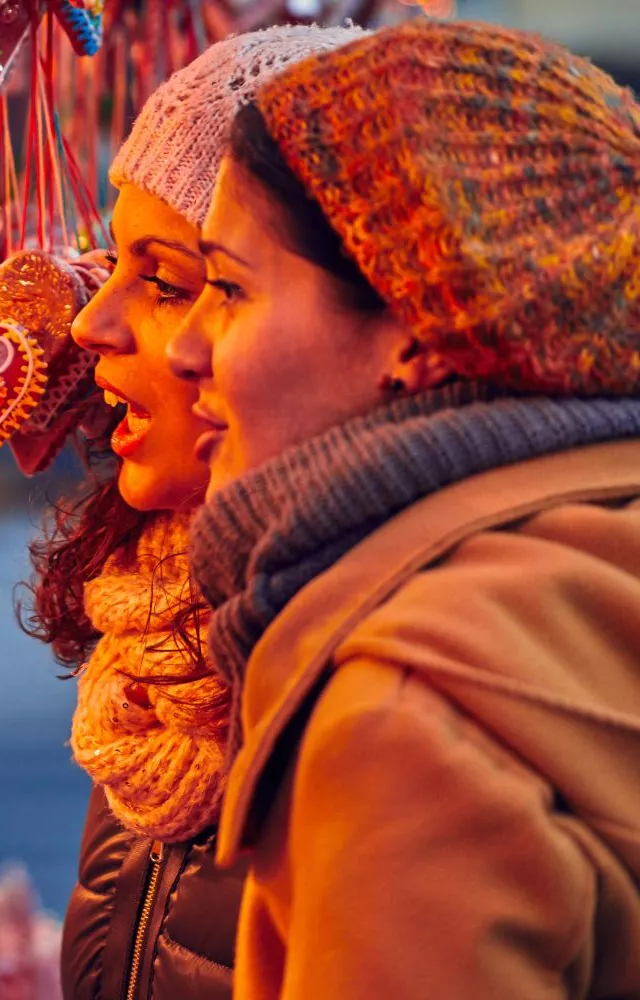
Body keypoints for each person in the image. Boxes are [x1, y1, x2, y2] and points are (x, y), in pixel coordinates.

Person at [165, 20, 640, 998]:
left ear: (418, 331)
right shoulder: (592, 559)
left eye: (224, 288)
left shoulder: (403, 716)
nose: (185, 348)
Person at [20, 25, 366, 1000]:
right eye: (113, 265)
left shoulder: (368, 678)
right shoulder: (158, 648)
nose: (94, 322)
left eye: (170, 281)